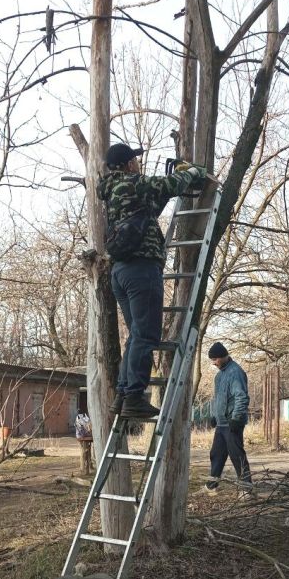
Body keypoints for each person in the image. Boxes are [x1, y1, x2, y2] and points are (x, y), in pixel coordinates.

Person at [99, 143, 206, 418]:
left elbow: (149, 208)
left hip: (120, 272)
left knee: (136, 335)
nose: (137, 163)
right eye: (134, 160)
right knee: (146, 335)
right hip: (141, 269)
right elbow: (170, 184)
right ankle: (134, 396)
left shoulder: (113, 190)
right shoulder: (132, 184)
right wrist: (193, 172)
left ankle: (123, 394)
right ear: (126, 165)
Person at [205, 342, 253, 495]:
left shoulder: (236, 372)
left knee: (236, 455)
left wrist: (237, 418)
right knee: (216, 454)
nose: (213, 363)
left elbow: (241, 397)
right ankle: (212, 486)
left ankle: (246, 488)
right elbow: (217, 398)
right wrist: (214, 415)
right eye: (211, 360)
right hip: (221, 423)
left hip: (233, 422)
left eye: (215, 359)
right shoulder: (219, 376)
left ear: (223, 356)